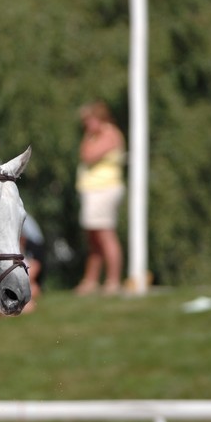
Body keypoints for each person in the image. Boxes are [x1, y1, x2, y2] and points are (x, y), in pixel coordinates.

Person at [73, 100, 125, 296]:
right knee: (93, 238)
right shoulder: (95, 135)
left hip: (104, 189)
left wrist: (88, 138)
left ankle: (113, 280)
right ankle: (91, 280)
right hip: (93, 190)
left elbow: (88, 155)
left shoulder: (109, 134)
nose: (86, 125)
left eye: (89, 120)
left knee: (105, 234)